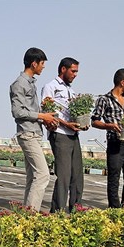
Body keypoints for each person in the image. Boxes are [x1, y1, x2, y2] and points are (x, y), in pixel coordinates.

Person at [9, 47, 58, 212]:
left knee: (32, 177)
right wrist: (42, 116)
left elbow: (30, 112)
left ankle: (25, 215)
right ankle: (31, 215)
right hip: (27, 134)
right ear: (34, 63)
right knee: (43, 174)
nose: (43, 67)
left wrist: (45, 118)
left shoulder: (30, 83)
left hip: (35, 133)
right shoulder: (19, 84)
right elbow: (17, 112)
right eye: (42, 63)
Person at [41, 57, 87, 213]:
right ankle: (58, 212)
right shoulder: (50, 87)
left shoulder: (71, 90)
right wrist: (66, 124)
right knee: (64, 176)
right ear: (63, 69)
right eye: (73, 71)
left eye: (77, 72)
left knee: (77, 177)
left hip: (73, 135)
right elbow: (47, 113)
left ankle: (76, 211)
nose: (75, 74)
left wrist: (82, 123)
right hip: (60, 134)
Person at [91, 68, 124, 208]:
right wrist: (109, 126)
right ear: (122, 82)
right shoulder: (104, 100)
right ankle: (114, 209)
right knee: (114, 178)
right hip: (115, 144)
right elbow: (94, 121)